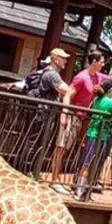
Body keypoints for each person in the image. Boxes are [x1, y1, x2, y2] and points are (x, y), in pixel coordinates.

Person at [74, 78, 112, 200]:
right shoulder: (111, 103)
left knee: (87, 163)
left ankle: (81, 190)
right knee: (92, 164)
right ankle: (82, 191)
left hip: (91, 133)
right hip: (100, 136)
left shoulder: (97, 99)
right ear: (111, 90)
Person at [34, 48, 77, 195]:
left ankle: (34, 174)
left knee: (41, 143)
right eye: (63, 58)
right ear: (55, 58)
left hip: (48, 114)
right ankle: (31, 174)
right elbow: (67, 91)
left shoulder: (52, 73)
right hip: (43, 114)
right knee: (37, 143)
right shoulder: (52, 74)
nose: (65, 61)